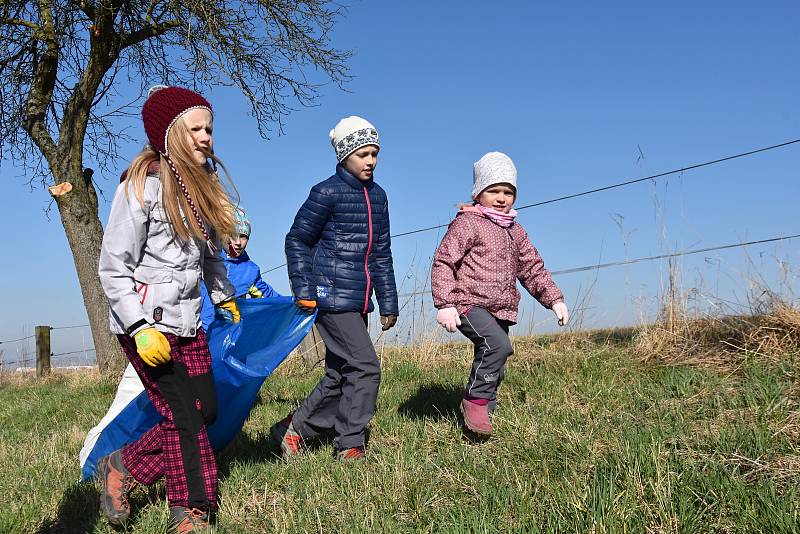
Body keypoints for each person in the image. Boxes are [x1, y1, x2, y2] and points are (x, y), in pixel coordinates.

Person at [96, 85, 241, 532]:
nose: (206, 137)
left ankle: (122, 464)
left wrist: (224, 295)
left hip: (189, 320)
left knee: (206, 411)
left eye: (209, 129)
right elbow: (112, 267)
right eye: (195, 128)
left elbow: (211, 254)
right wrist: (139, 327)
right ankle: (191, 509)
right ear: (170, 133)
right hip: (146, 324)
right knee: (183, 417)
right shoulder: (141, 186)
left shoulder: (201, 189)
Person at [270, 116, 399, 461]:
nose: (370, 160)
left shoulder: (379, 196)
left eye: (374, 153)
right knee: (366, 366)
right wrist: (304, 288)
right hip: (328, 295)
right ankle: (350, 443)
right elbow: (297, 239)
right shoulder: (326, 192)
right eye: (363, 154)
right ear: (344, 154)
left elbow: (381, 252)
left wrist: (388, 301)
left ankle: (294, 428)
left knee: (341, 373)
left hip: (358, 299)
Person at [431, 151, 569, 437]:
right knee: (498, 346)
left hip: (501, 308)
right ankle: (475, 401)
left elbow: (531, 267)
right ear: (478, 192)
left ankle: (480, 425)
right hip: (468, 303)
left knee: (496, 363)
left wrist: (554, 299)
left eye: (508, 191)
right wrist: (445, 304)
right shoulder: (468, 223)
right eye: (493, 190)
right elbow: (445, 261)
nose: (502, 197)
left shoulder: (515, 231)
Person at [200, 207, 280, 330]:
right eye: (233, 235)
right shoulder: (204, 257)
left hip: (228, 335)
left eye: (243, 236)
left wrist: (298, 304)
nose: (238, 242)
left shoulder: (250, 271)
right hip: (196, 332)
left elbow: (270, 298)